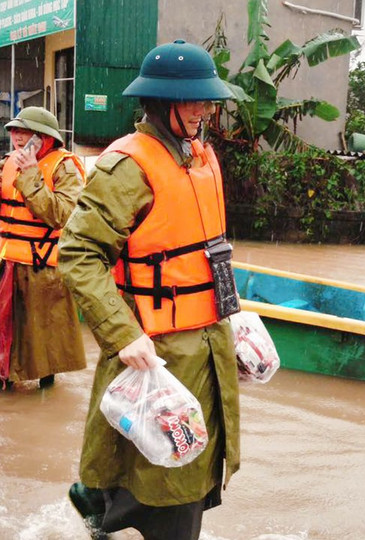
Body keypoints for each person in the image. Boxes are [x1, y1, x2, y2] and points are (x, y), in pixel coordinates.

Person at [57, 40, 241, 539]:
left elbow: (209, 251)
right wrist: (123, 333)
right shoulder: (129, 167)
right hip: (155, 354)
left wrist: (236, 318)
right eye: (195, 100)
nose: (206, 109)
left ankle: (99, 504)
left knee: (188, 476)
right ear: (162, 104)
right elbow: (77, 253)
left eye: (208, 100)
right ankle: (101, 504)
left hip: (206, 347)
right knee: (164, 484)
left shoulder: (198, 157)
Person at [0, 106, 86, 389]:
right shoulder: (6, 163)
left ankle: (45, 401)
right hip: (6, 265)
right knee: (1, 336)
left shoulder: (64, 167)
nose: (17, 137)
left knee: (45, 348)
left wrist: (31, 174)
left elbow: (61, 216)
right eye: (14, 131)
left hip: (44, 270)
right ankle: (3, 396)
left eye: (24, 131)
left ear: (44, 137)